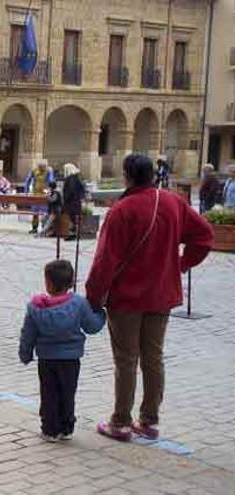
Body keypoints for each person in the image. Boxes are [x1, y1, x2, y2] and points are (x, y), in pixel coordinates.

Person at [86, 153, 214, 442]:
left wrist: (93, 296)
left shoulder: (122, 210)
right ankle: (149, 421)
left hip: (127, 298)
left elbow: (105, 260)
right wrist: (181, 264)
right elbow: (205, 235)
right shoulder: (172, 201)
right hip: (162, 294)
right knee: (153, 358)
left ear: (127, 176)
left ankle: (120, 422)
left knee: (126, 360)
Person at [19, 260, 106, 442]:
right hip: (71, 359)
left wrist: (25, 353)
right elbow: (91, 326)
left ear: (47, 283)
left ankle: (50, 429)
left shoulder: (36, 307)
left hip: (46, 359)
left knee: (49, 393)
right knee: (67, 392)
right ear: (71, 283)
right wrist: (101, 314)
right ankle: (66, 427)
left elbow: (28, 333)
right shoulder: (78, 303)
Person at [25, 159, 55, 234]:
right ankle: (34, 228)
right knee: (35, 212)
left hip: (45, 193)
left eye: (43, 167)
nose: (42, 168)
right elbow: (28, 180)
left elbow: (51, 181)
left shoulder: (49, 170)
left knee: (45, 212)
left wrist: (50, 191)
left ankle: (44, 228)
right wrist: (26, 191)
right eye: (40, 167)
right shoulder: (34, 170)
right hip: (36, 193)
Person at [62, 163, 86, 241]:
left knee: (70, 218)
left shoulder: (70, 178)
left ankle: (71, 234)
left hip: (70, 203)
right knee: (74, 219)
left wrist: (65, 198)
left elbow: (70, 191)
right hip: (76, 202)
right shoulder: (77, 177)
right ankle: (74, 233)